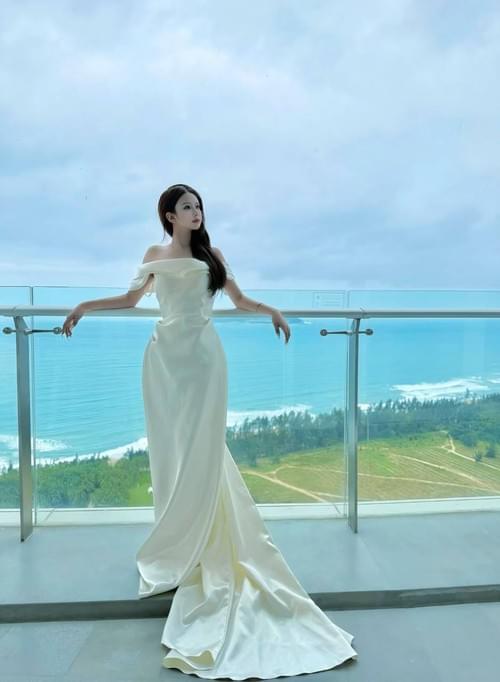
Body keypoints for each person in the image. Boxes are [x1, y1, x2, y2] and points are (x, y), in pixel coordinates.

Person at [61, 183, 357, 679]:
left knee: (203, 448)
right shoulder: (155, 255)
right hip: (163, 361)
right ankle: (180, 538)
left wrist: (272, 311)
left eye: (198, 206)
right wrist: (83, 306)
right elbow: (131, 299)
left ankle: (202, 541)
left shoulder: (211, 256)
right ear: (169, 216)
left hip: (202, 360)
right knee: (170, 449)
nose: (196, 213)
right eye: (187, 207)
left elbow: (238, 300)